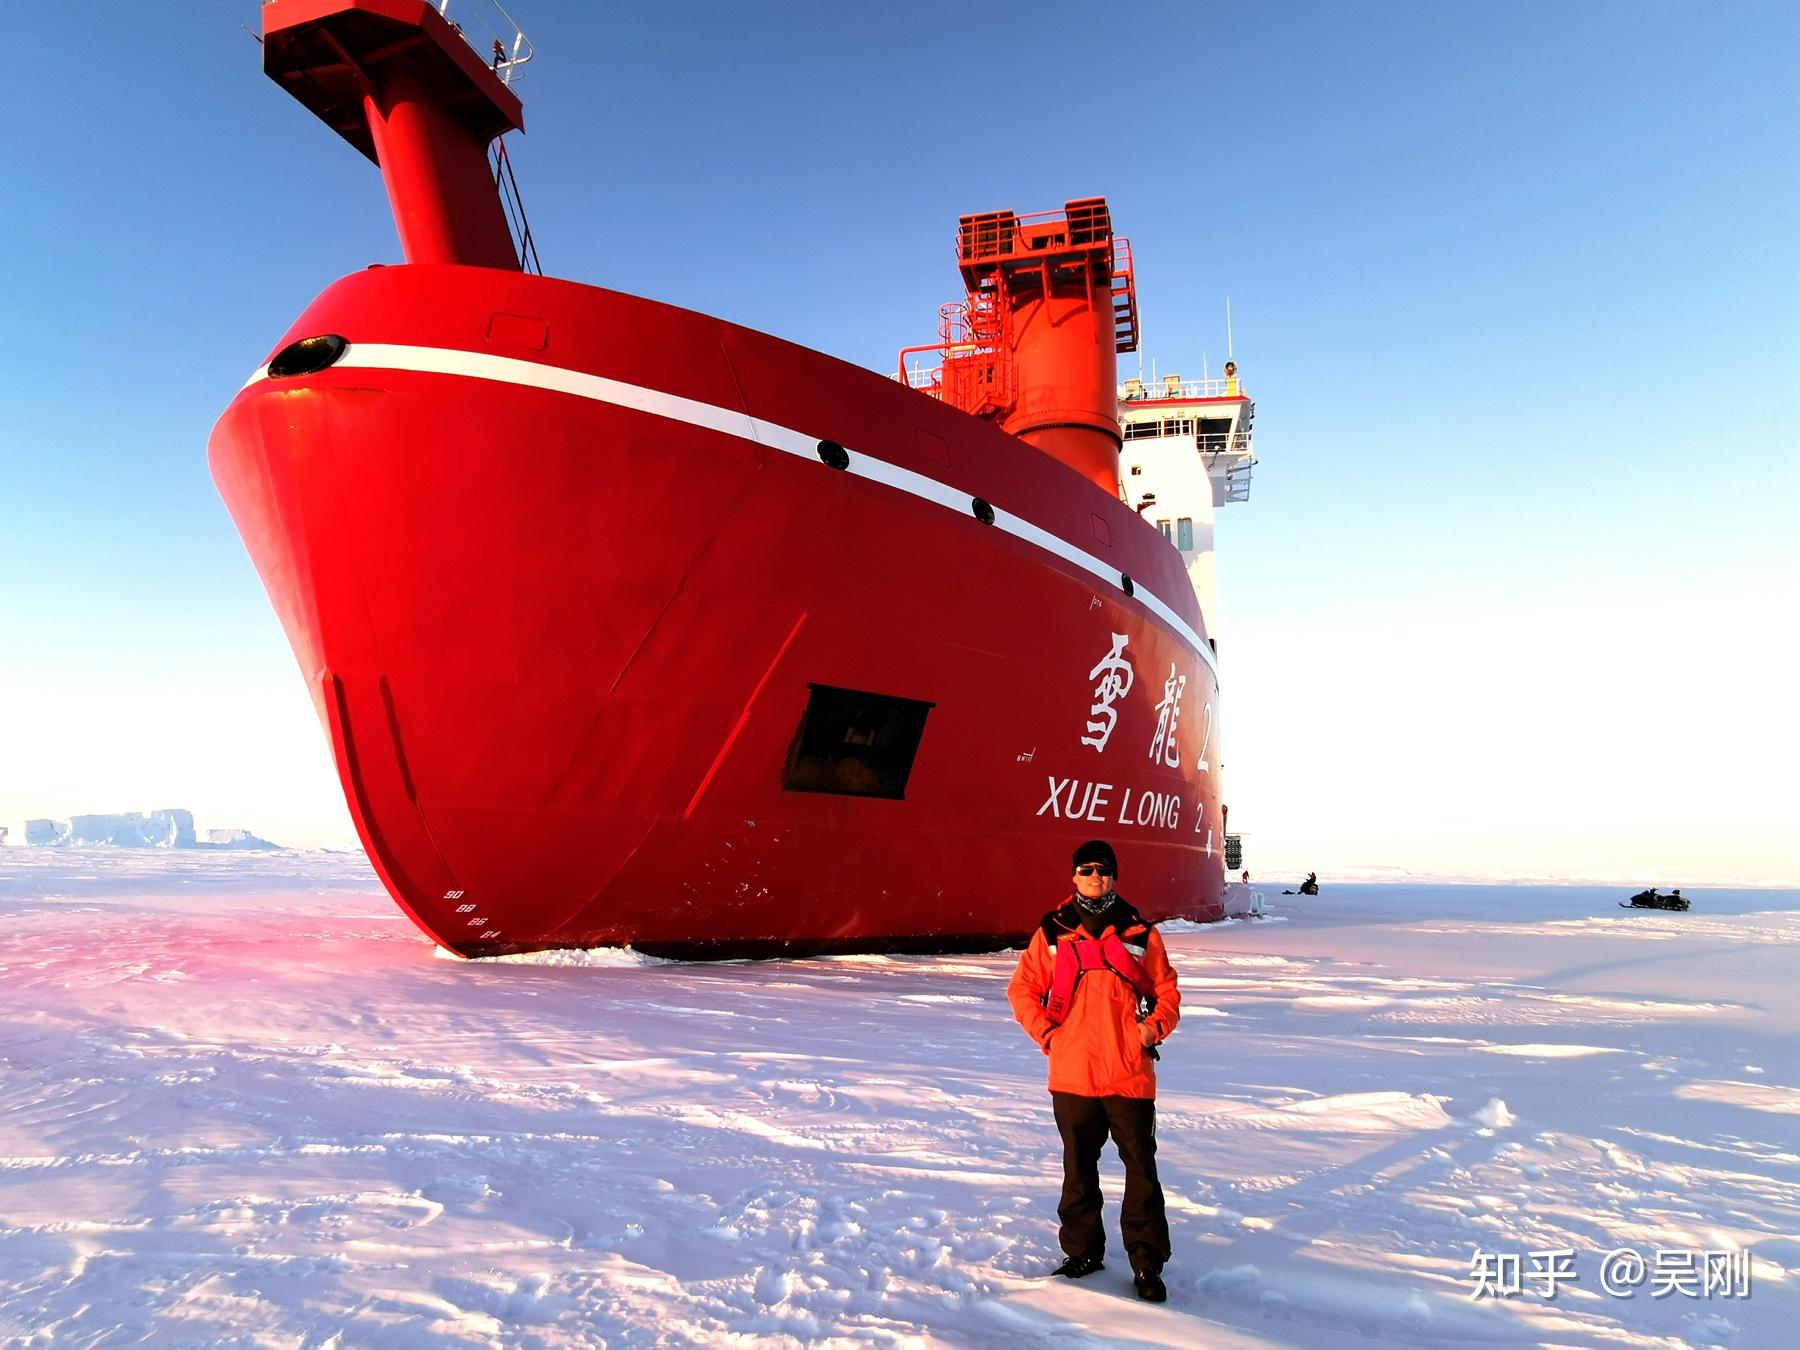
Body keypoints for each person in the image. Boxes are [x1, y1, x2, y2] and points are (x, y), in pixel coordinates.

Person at [1007, 840, 1181, 1303]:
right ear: (1074, 876)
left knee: (1141, 1171)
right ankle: (1083, 1253)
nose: (1095, 877)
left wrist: (1151, 1031)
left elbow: (1167, 992)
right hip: (1072, 1072)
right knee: (1078, 1169)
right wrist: (1048, 1034)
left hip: (1128, 1073)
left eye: (1103, 870)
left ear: (1114, 877)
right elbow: (1023, 990)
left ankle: (1147, 1264)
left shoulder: (1140, 933)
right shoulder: (1052, 932)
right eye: (1087, 869)